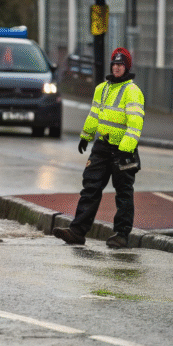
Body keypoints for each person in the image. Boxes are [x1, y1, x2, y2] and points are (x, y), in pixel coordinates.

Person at [54, 47, 145, 249]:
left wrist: (126, 149)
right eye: (114, 64)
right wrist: (85, 136)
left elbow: (135, 125)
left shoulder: (133, 92)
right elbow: (94, 115)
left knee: (123, 193)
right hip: (102, 147)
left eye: (120, 65)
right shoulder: (101, 89)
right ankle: (77, 231)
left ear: (127, 67)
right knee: (90, 188)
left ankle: (121, 235)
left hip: (123, 149)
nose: (116, 67)